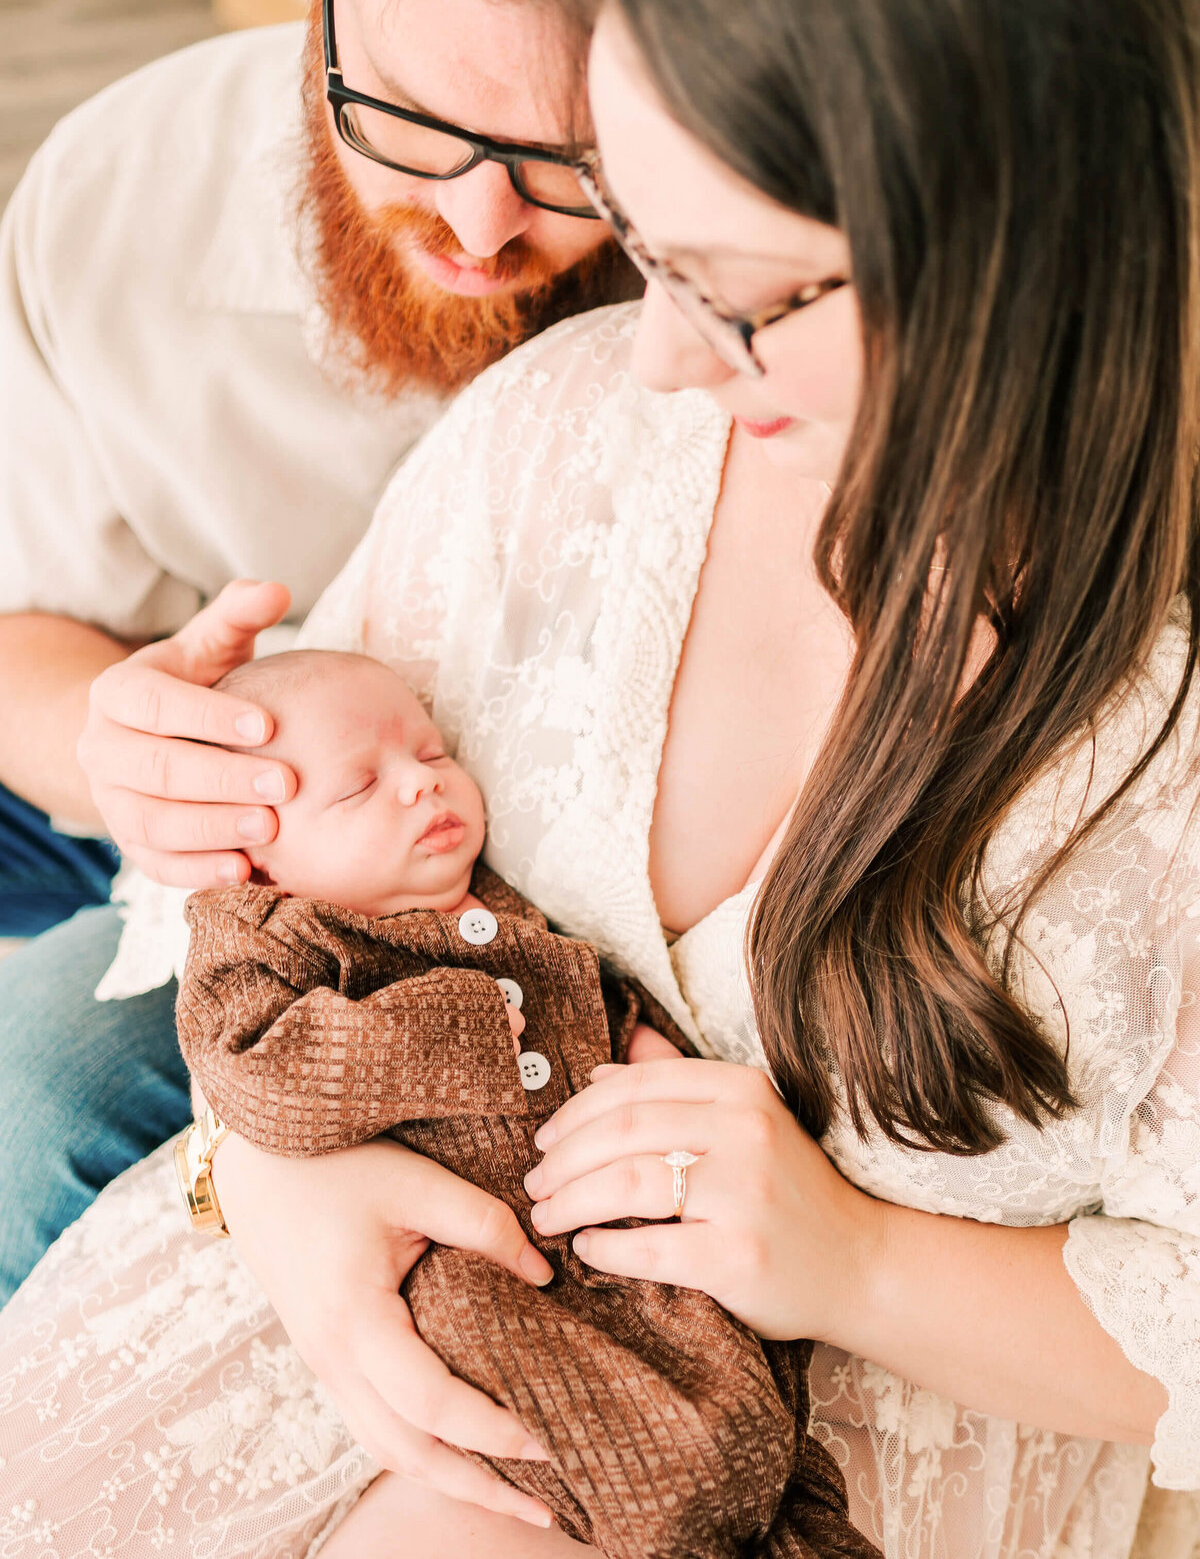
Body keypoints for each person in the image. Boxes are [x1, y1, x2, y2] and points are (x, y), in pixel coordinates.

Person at [2, 0, 1198, 1555]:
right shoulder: (557, 422)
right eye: (642, 250)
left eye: (726, 283)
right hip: (282, 1323)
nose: (647, 358)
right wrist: (278, 1162)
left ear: (1013, 247)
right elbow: (226, 876)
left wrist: (851, 1254)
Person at [0, 0, 735, 1306]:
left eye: (570, 156)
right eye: (404, 117)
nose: (481, 229)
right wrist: (124, 753)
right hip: (214, 829)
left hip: (568, 885)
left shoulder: (756, 242)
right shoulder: (121, 200)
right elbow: (26, 625)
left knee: (46, 1089)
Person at [176, 647, 875, 1559]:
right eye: (358, 790)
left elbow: (588, 983)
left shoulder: (501, 902)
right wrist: (442, 1032)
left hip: (619, 1232)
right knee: (600, 1438)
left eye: (432, 756)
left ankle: (784, 1510)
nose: (420, 788)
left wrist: (641, 1045)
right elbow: (248, 1065)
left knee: (739, 1391)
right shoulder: (276, 938)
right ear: (258, 865)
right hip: (472, 1263)